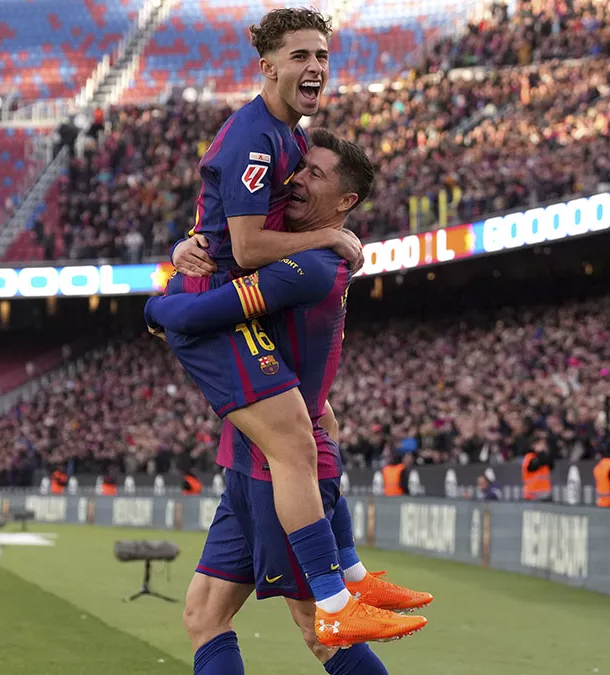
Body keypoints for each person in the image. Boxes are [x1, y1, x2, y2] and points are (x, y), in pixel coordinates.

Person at [147, 129, 425, 675]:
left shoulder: (311, 265)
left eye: (315, 174)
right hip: (252, 463)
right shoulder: (299, 246)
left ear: (345, 202)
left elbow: (203, 312)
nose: (296, 180)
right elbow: (229, 244)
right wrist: (184, 249)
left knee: (322, 632)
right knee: (204, 615)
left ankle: (346, 585)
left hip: (277, 471)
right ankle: (350, 575)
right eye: (300, 168)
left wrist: (153, 309)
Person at [157, 7, 381, 651]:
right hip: (220, 308)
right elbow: (249, 245)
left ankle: (349, 582)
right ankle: (344, 589)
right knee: (300, 446)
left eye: (323, 56)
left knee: (206, 616)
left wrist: (185, 252)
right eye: (301, 56)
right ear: (268, 67)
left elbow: (227, 225)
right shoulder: (259, 139)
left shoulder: (288, 138)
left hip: (231, 314)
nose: (315, 68)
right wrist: (328, 234)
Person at [521, 434, 553, 501]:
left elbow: (551, 465)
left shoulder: (545, 456)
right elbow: (533, 467)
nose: (543, 446)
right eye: (540, 444)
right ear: (534, 445)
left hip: (545, 494)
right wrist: (541, 453)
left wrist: (545, 453)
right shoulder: (529, 456)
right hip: (532, 494)